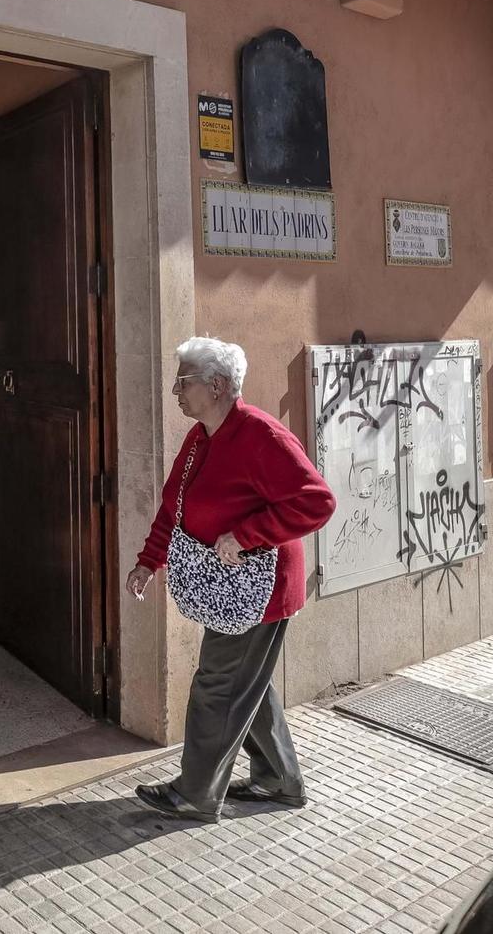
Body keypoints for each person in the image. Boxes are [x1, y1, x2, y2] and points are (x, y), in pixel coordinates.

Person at [127, 336, 335, 822]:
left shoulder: (263, 436)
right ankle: (278, 780)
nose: (176, 390)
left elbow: (317, 502)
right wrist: (149, 560)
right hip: (228, 586)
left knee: (217, 684)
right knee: (247, 681)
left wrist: (246, 535)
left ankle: (196, 793)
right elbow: (174, 507)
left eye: (184, 381)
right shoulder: (201, 436)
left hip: (259, 588)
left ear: (217, 385)